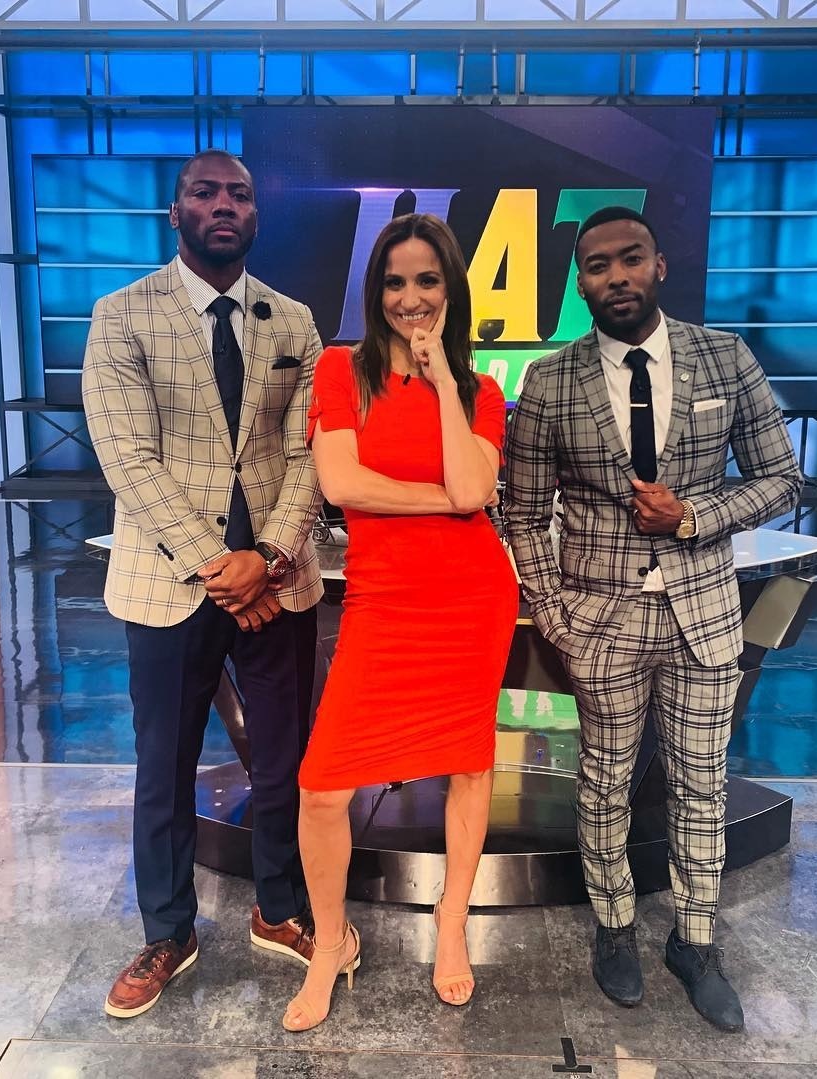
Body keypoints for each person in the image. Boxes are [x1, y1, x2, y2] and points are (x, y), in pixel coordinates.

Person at [504, 206, 802, 1033]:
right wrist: (555, 614)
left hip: (703, 615)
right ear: (581, 282)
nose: (617, 276)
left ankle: (696, 943)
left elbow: (782, 479)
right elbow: (521, 511)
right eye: (598, 265)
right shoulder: (550, 380)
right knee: (603, 783)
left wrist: (694, 516)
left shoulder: (724, 356)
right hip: (599, 622)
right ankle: (615, 928)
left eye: (630, 258)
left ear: (659, 264)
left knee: (701, 784)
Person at [82, 149, 325, 1019]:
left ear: (256, 214)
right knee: (166, 762)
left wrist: (271, 554)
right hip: (169, 582)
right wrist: (222, 567)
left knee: (286, 757)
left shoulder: (292, 320)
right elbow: (128, 459)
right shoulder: (121, 316)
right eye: (205, 191)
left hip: (279, 580)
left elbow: (310, 453)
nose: (224, 204)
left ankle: (279, 905)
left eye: (240, 194)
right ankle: (168, 930)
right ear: (175, 210)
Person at [282, 213, 519, 1032]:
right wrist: (449, 501)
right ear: (374, 289)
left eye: (427, 280)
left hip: (471, 599)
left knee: (470, 768)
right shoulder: (342, 371)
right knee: (321, 787)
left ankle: (451, 922)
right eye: (394, 281)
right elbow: (343, 484)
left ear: (450, 289)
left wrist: (446, 382)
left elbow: (475, 483)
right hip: (384, 601)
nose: (410, 297)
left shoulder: (480, 392)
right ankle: (332, 940)